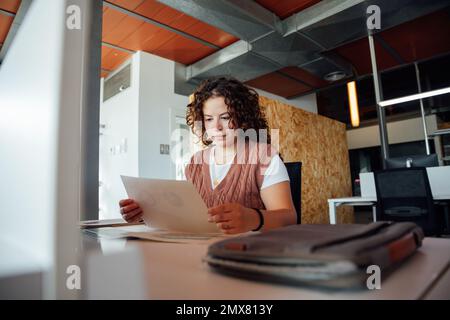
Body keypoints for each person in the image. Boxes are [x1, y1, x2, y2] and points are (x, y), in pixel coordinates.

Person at [119, 77, 297, 234]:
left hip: (249, 255)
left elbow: (289, 218)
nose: (216, 127)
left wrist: (252, 218)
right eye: (209, 119)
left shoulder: (263, 156)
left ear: (243, 118)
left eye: (226, 117)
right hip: (200, 253)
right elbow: (184, 214)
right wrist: (146, 214)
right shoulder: (195, 162)